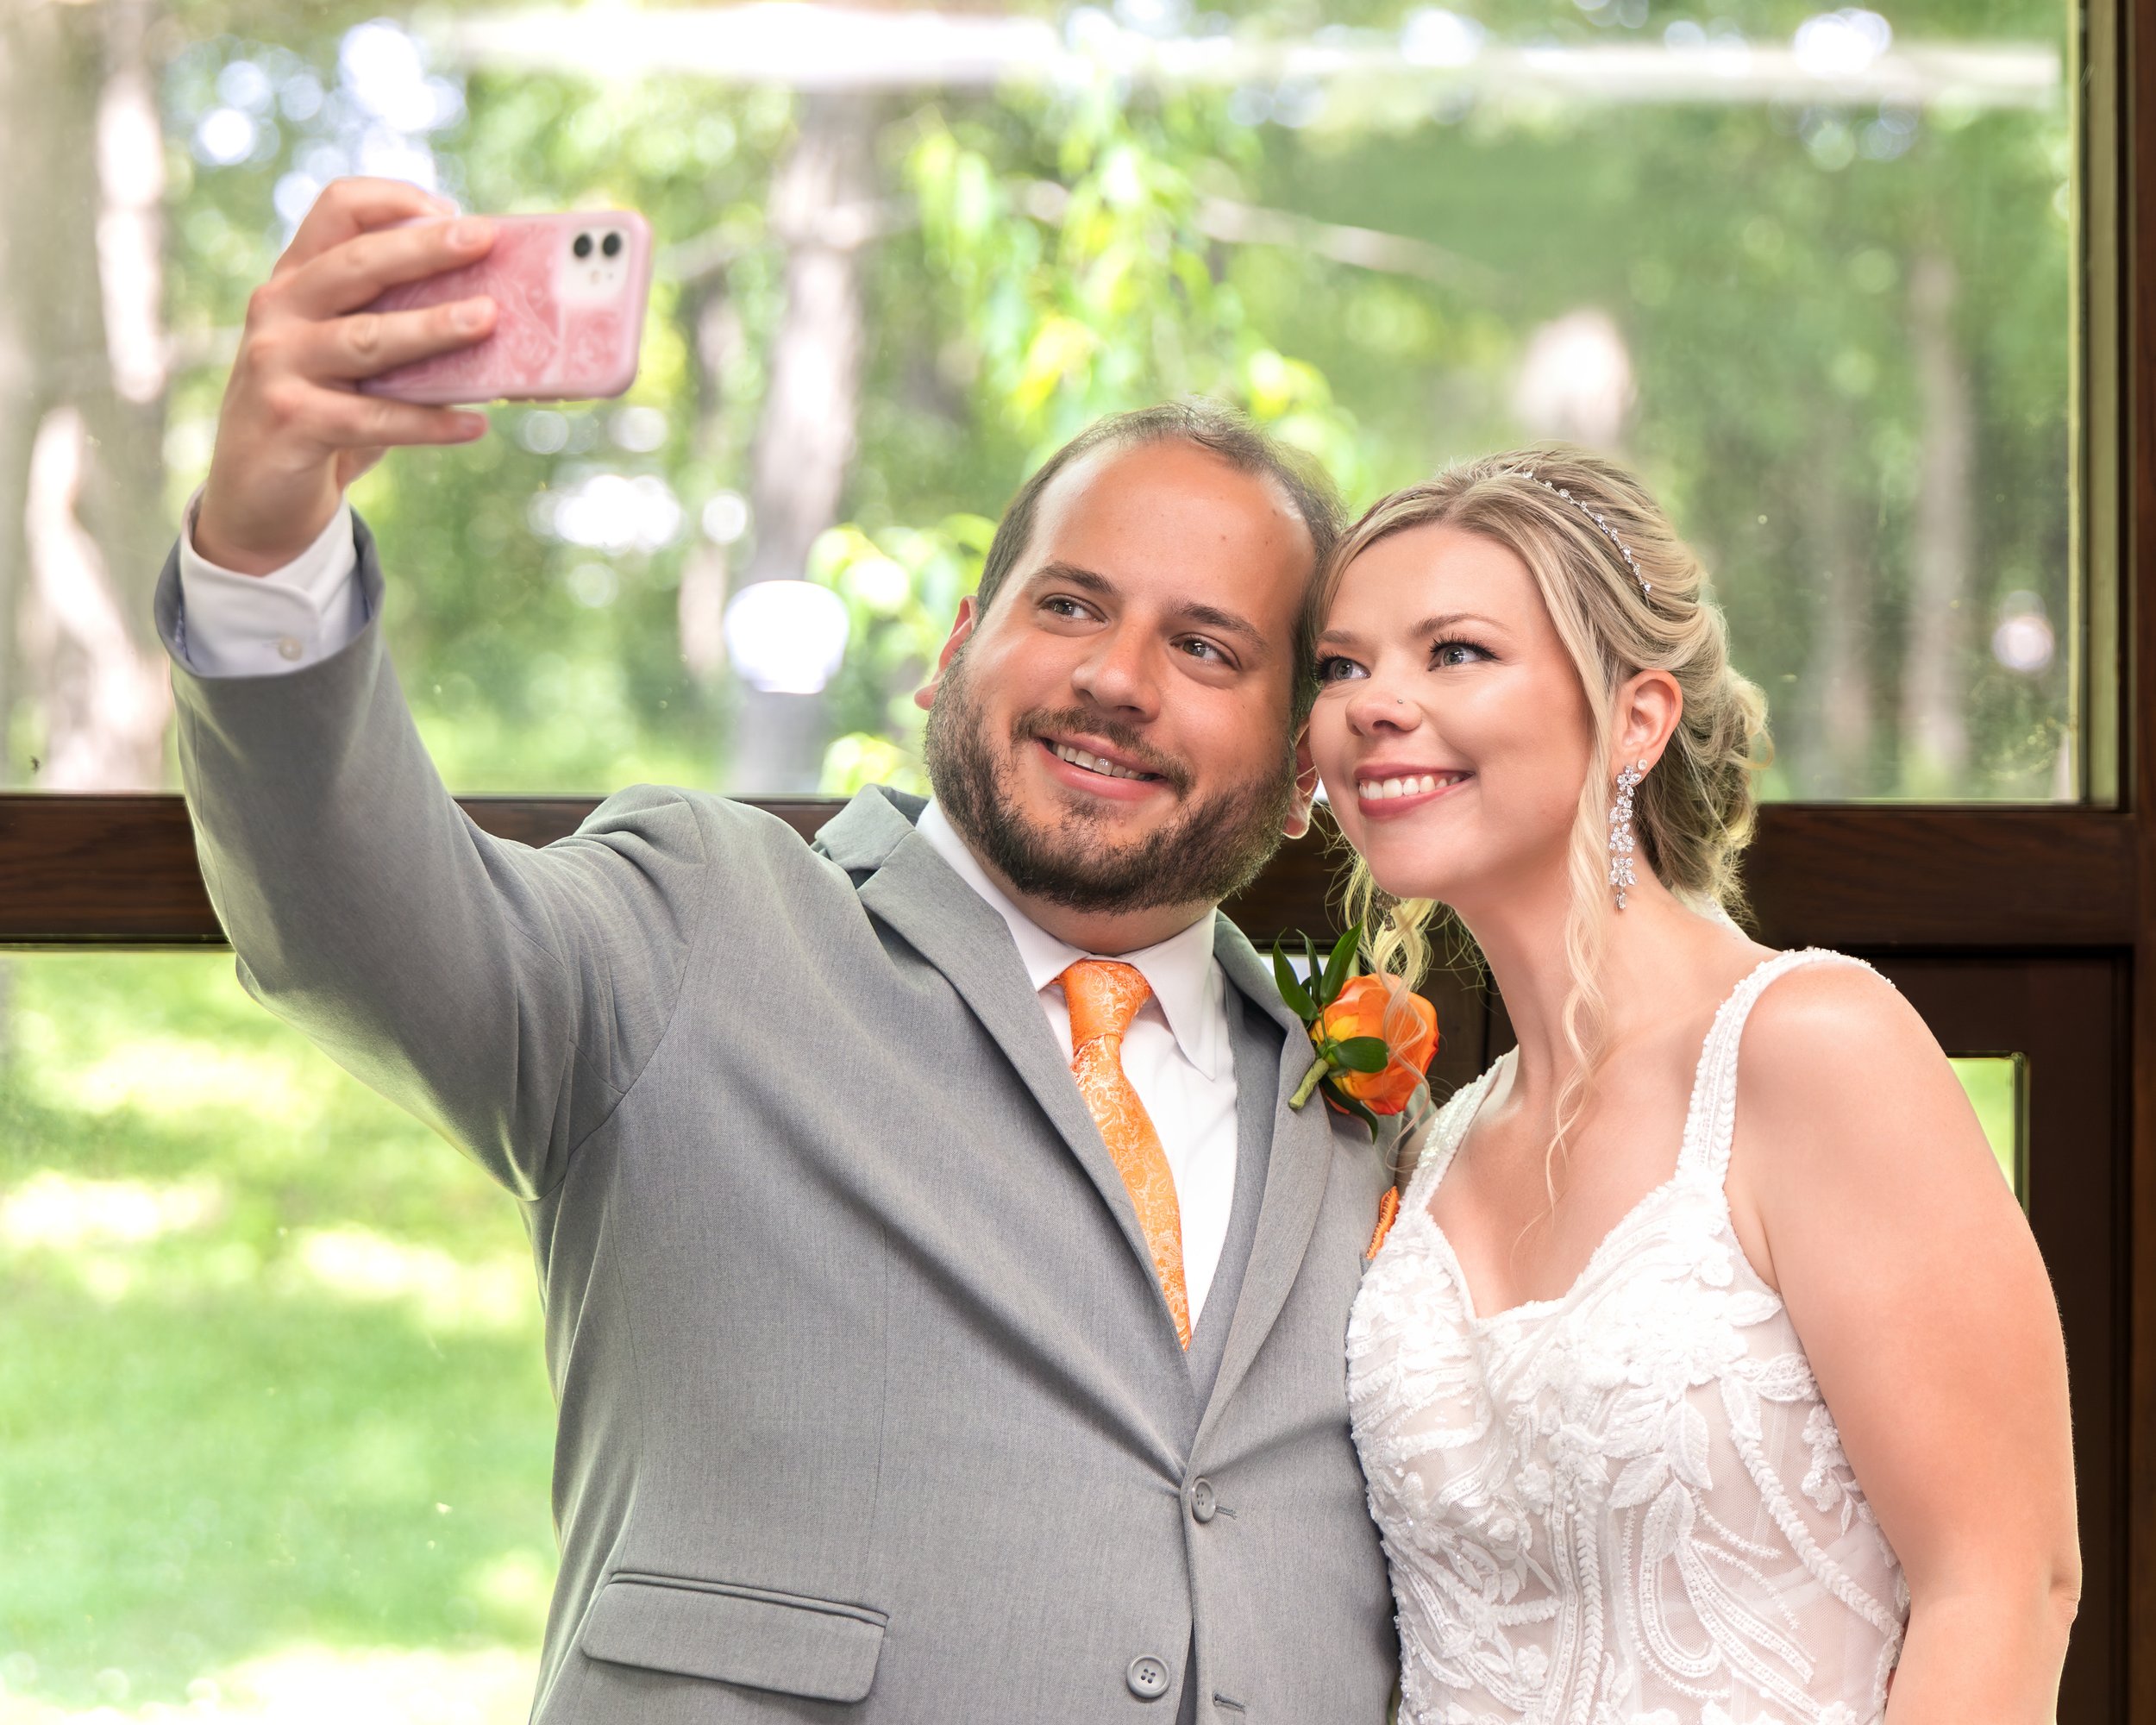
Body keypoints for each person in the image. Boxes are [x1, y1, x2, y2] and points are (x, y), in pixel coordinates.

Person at [160, 178, 1397, 1721]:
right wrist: (267, 552)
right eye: (1071, 605)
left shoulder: (1356, 1109)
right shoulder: (695, 929)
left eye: (1206, 647)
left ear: (1301, 771)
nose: (1117, 678)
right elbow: (353, 918)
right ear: (955, 648)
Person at [1305, 447, 2082, 1725]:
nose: (1374, 704)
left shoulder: (1811, 1048)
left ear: (1637, 719)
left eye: (1456, 652)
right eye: (1341, 666)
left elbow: (2004, 1587)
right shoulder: (1430, 1149)